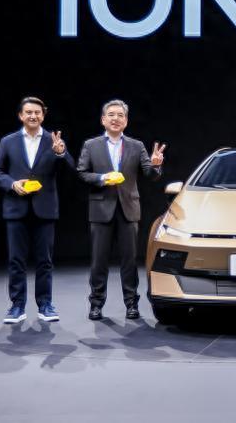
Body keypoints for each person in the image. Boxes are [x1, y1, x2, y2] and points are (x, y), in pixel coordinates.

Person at [77, 99, 165, 321]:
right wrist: (102, 178)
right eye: (111, 114)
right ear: (103, 120)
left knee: (129, 261)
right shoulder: (91, 145)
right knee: (99, 261)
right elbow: (82, 173)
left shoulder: (136, 146)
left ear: (126, 120)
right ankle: (96, 304)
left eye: (120, 115)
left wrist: (156, 165)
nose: (116, 118)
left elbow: (150, 174)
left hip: (128, 209)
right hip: (101, 209)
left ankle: (131, 304)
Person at [0, 96, 74, 324]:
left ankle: (45, 304)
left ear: (43, 115)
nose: (33, 116)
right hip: (15, 207)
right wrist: (12, 184)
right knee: (16, 260)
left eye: (37, 112)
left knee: (44, 260)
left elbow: (70, 171)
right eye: (28, 112)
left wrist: (61, 153)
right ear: (20, 115)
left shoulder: (53, 140)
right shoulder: (8, 141)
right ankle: (17, 306)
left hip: (44, 209)